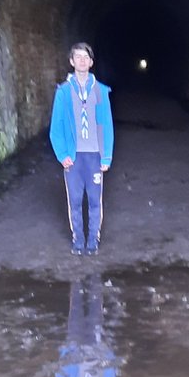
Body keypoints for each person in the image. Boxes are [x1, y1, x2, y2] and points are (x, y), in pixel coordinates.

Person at [49, 42, 113, 255]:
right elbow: (56, 127)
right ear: (71, 61)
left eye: (86, 57)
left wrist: (106, 156)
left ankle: (93, 240)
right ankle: (78, 239)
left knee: (95, 200)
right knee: (75, 200)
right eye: (78, 57)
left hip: (94, 155)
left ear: (91, 62)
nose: (82, 61)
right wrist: (62, 155)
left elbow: (107, 125)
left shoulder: (100, 91)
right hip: (74, 157)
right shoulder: (64, 92)